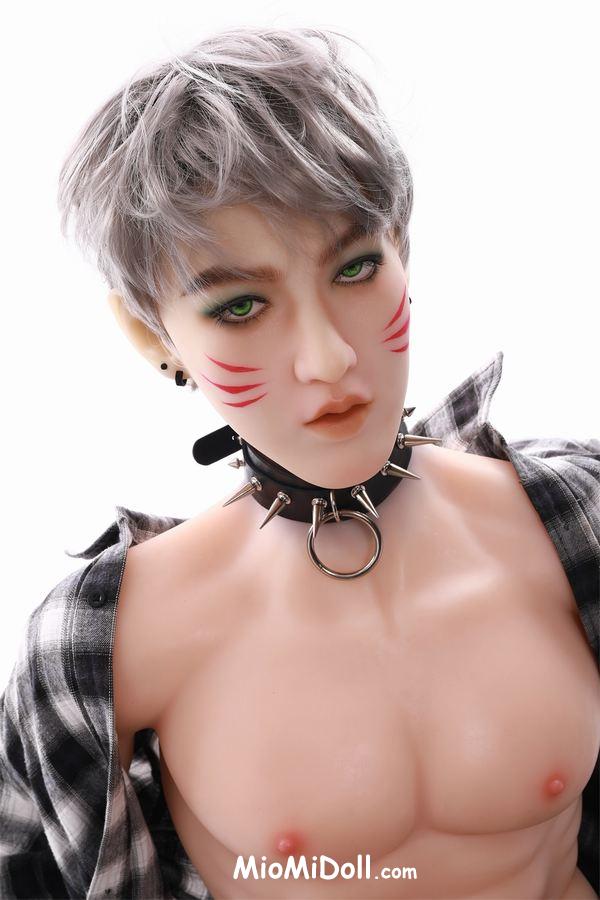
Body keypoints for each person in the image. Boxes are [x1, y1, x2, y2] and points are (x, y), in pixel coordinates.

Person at [1, 24, 598, 900]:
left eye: (355, 268)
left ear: (402, 249)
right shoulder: (115, 643)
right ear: (153, 336)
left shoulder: (569, 523)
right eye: (241, 307)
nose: (328, 359)